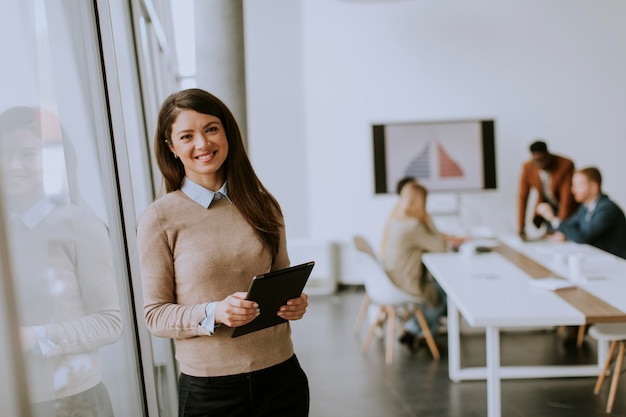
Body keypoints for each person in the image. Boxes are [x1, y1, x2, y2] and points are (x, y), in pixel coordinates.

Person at [136, 88, 310, 417]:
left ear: (227, 132)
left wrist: (295, 303)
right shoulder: (159, 219)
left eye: (211, 129)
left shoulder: (263, 204)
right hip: (211, 390)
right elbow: (155, 316)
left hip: (282, 376)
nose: (202, 144)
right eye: (187, 136)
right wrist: (215, 312)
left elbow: (281, 278)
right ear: (171, 148)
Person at [0, 106, 122, 416]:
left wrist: (36, 336)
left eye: (28, 154)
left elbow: (110, 322)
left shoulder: (81, 226)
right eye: (5, 153)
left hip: (72, 403)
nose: (13, 166)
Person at [381, 182, 449, 351]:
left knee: (439, 292)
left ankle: (422, 335)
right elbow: (441, 246)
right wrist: (428, 219)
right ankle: (413, 329)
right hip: (405, 282)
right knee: (446, 296)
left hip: (392, 278)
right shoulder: (413, 226)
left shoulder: (397, 221)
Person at [536, 167, 626, 259]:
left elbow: (583, 237)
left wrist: (552, 218)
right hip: (598, 259)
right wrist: (562, 232)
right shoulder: (585, 207)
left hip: (617, 264)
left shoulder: (607, 208)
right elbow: (569, 226)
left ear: (594, 188)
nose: (573, 190)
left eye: (578, 186)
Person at [518, 140, 577, 239]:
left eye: (542, 159)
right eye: (536, 160)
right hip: (548, 209)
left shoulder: (565, 164)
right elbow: (522, 196)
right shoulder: (528, 167)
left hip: (567, 210)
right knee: (549, 238)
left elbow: (566, 199)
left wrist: (560, 228)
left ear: (548, 155)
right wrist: (521, 227)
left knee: (563, 237)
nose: (540, 164)